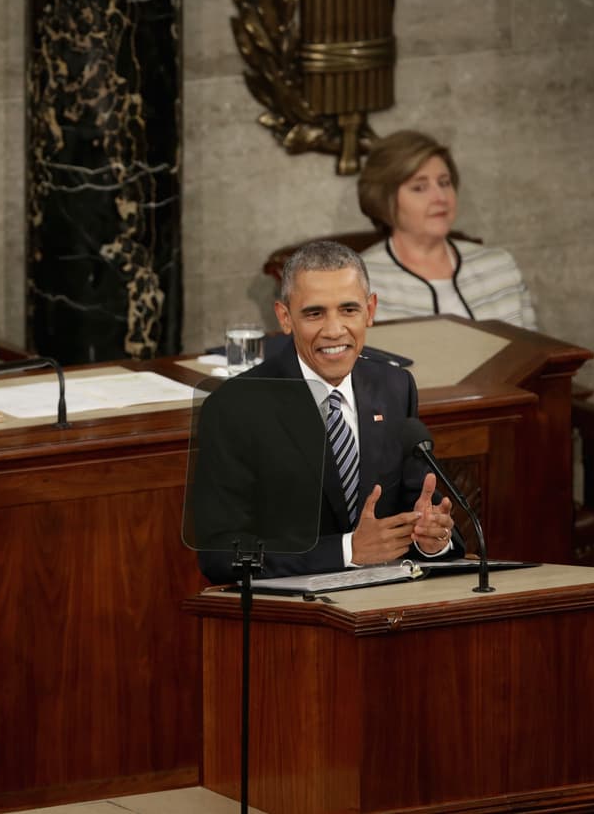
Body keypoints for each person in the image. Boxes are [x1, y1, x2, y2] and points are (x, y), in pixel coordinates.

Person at [192, 241, 464, 582]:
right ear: (285, 317)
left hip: (387, 609)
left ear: (370, 310)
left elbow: (424, 514)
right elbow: (219, 554)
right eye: (314, 313)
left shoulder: (395, 387)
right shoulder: (235, 406)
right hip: (292, 619)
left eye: (348, 310)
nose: (334, 330)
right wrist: (347, 551)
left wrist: (431, 539)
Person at [356, 129, 537, 330]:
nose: (440, 197)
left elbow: (536, 353)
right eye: (419, 188)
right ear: (384, 199)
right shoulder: (359, 281)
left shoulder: (499, 265)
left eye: (444, 183)